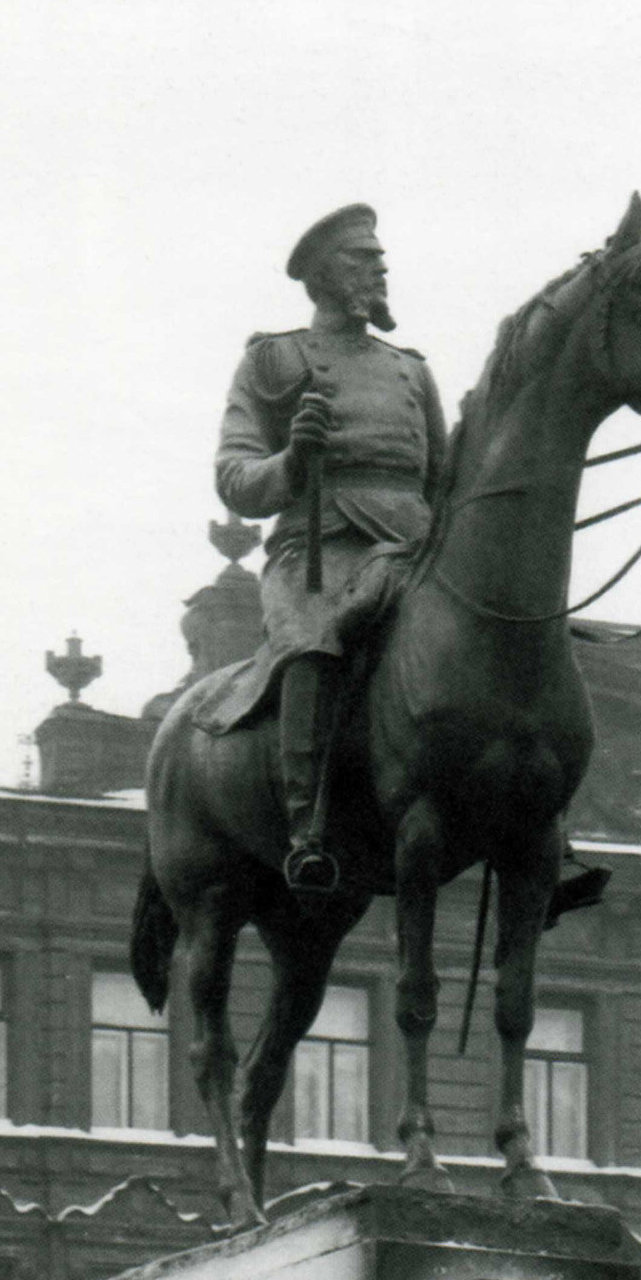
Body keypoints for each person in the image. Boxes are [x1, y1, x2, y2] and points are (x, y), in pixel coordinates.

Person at [211, 205, 451, 891]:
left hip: (411, 544)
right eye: (359, 258)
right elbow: (234, 478)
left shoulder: (411, 370)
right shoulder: (272, 359)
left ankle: (546, 833)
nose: (378, 268)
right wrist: (292, 459)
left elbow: (445, 479)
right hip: (319, 542)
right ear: (320, 276)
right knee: (316, 643)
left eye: (380, 257)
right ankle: (304, 831)